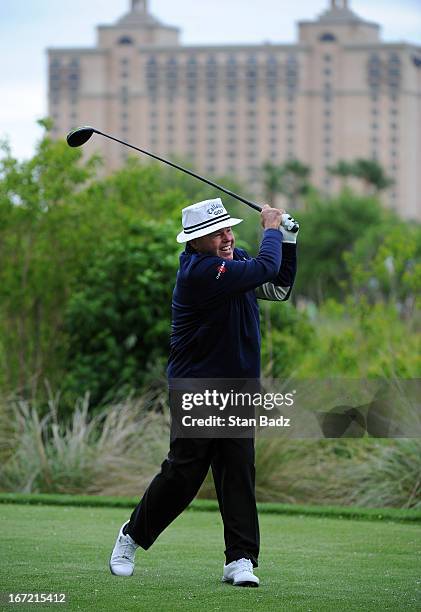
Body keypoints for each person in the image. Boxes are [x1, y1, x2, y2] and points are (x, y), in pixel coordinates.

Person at [110, 198, 298, 587]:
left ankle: (240, 559)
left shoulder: (233, 262)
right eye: (217, 234)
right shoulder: (201, 271)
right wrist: (272, 229)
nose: (228, 238)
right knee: (185, 473)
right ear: (195, 242)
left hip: (238, 386)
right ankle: (132, 535)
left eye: (229, 229)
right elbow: (265, 266)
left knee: (238, 471)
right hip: (198, 385)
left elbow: (276, 288)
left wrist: (288, 240)